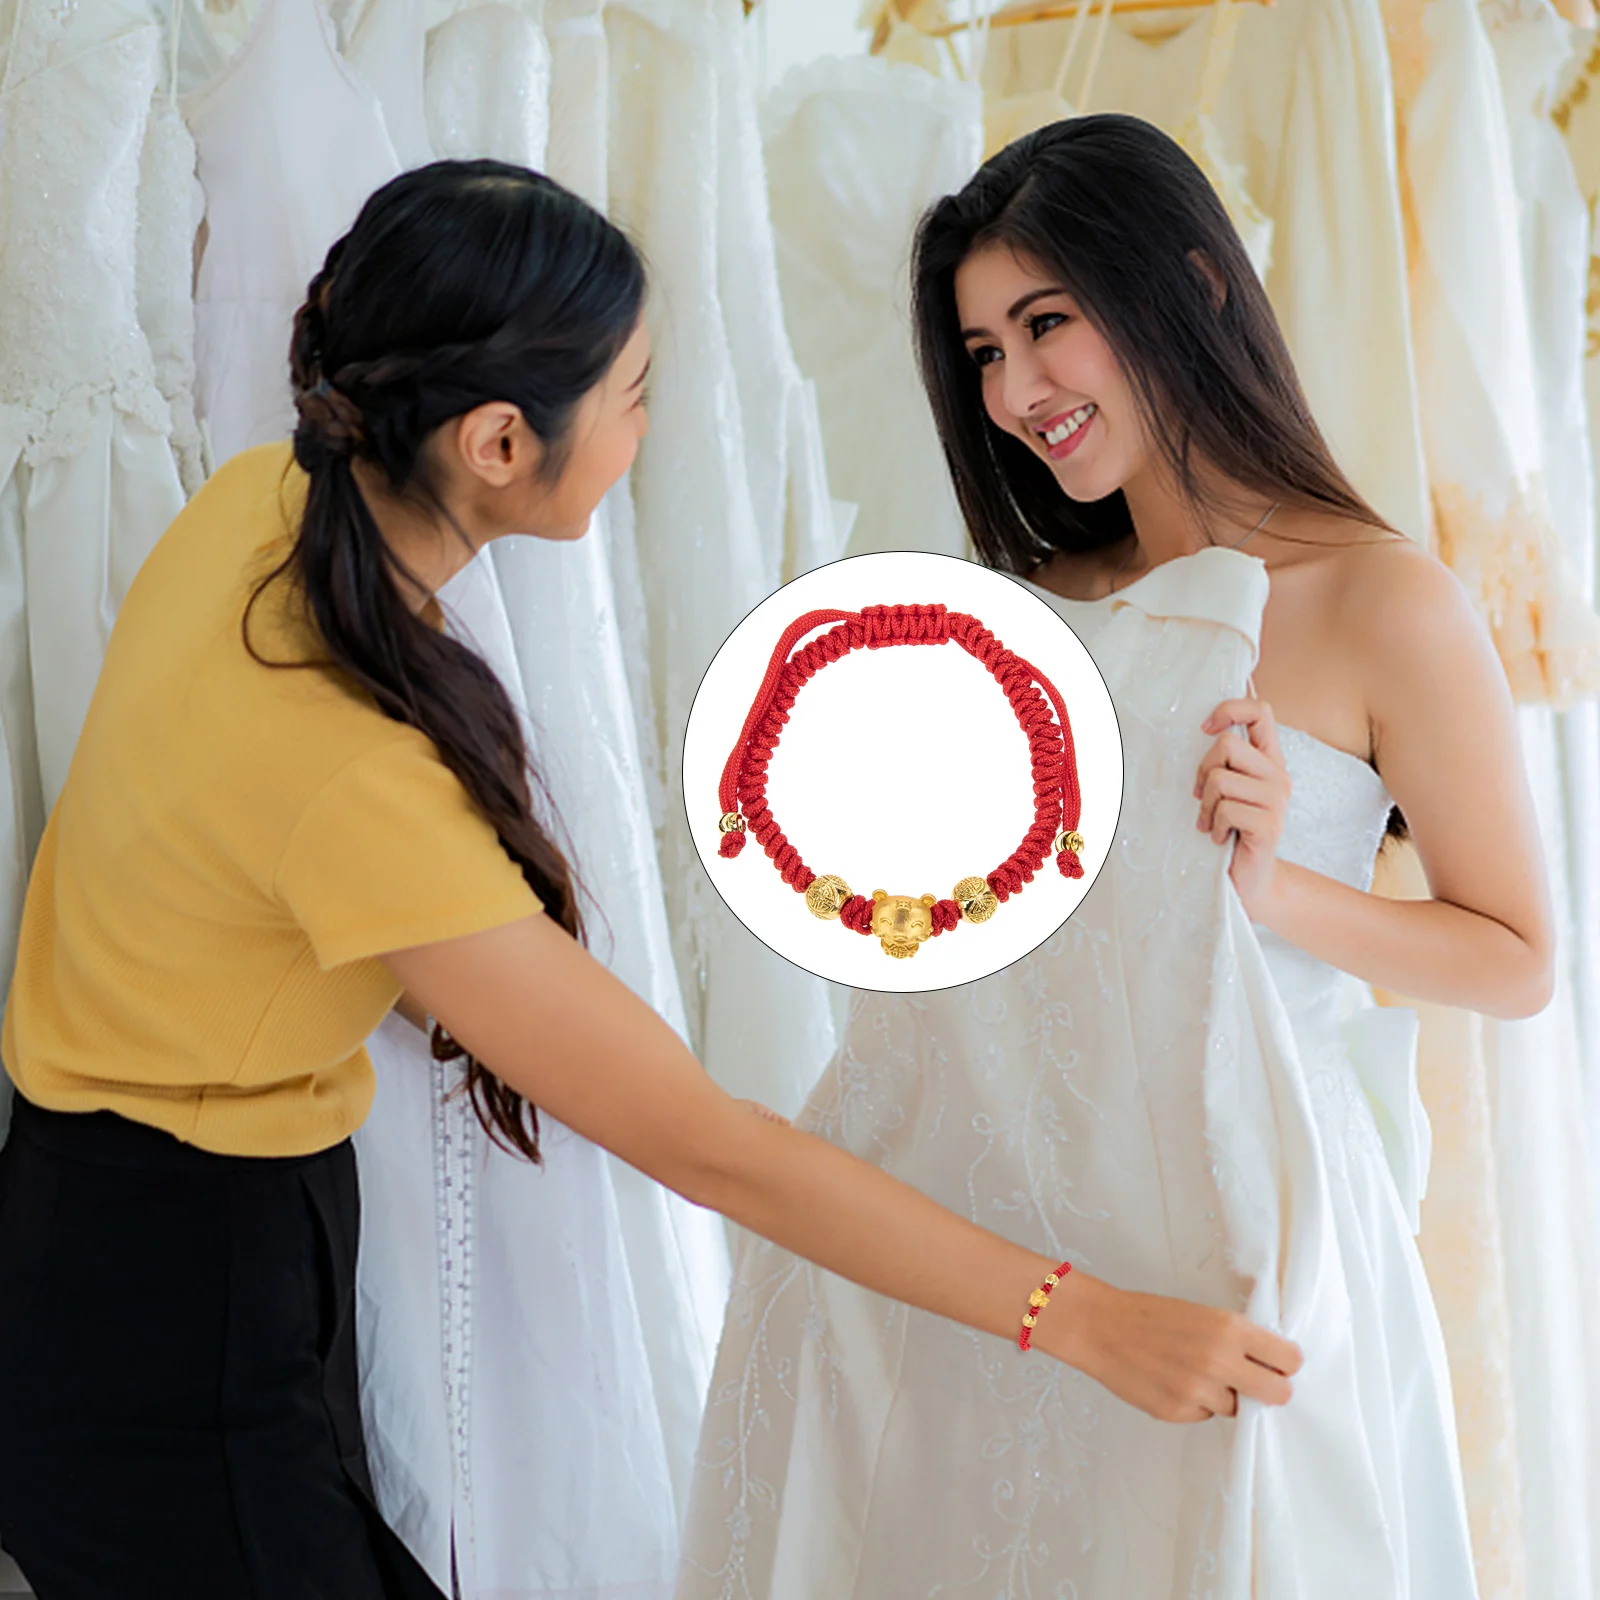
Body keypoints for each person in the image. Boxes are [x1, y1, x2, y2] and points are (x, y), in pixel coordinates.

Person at [0, 158, 1300, 1600]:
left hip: (159, 1228)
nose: (647, 426)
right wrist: (1088, 1319)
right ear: (502, 441)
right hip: (162, 1306)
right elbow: (710, 1146)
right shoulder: (349, 764)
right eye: (631, 392)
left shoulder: (266, 506)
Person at [678, 115, 1552, 1598]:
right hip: (982, 1210)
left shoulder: (1381, 603)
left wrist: (1276, 891)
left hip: (1229, 1210)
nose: (1015, 392)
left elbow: (1516, 960)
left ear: (1193, 287)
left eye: (1045, 326)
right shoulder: (1021, 601)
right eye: (981, 353)